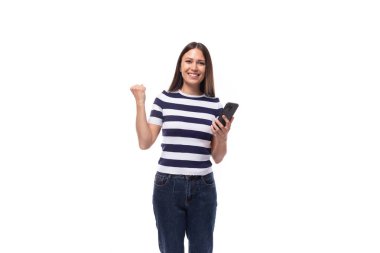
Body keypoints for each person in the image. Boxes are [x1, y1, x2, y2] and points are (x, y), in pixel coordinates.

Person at [130, 42, 234, 253]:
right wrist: (140, 102)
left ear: (207, 68)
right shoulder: (164, 100)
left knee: (202, 249)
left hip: (203, 188)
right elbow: (145, 142)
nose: (194, 67)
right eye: (188, 61)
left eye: (200, 63)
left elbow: (218, 157)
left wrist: (222, 137)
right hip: (167, 186)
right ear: (180, 66)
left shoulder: (214, 105)